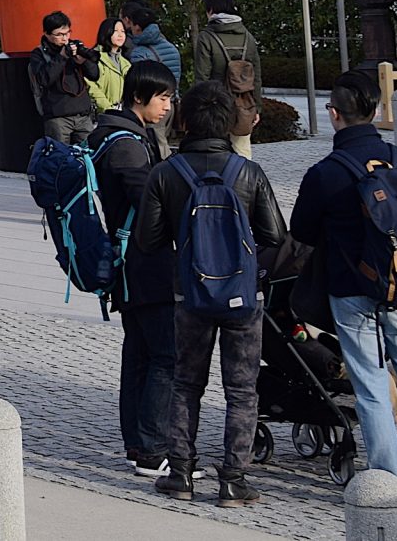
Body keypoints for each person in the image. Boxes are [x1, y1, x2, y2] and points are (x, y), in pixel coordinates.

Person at [295, 70, 397, 503]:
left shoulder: (325, 173)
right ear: (375, 110)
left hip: (351, 290)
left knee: (370, 385)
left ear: (334, 114)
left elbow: (302, 230)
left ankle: (386, 482)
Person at [131, 81, 288, 508]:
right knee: (241, 390)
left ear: (185, 119)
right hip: (241, 296)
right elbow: (276, 234)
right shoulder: (248, 172)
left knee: (186, 383)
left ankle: (180, 473)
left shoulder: (167, 173)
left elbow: (148, 240)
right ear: (227, 122)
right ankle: (234, 481)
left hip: (189, 295)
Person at [92, 59, 179, 477]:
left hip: (129, 262)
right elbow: (150, 201)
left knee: (140, 353)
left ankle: (137, 444)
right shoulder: (126, 144)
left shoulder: (118, 133)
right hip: (143, 261)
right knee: (165, 354)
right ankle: (151, 449)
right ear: (139, 97)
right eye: (162, 98)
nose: (167, 106)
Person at [189, 0, 262, 159]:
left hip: (214, 105)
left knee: (214, 151)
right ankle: (243, 183)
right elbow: (256, 76)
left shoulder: (206, 37)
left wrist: (198, 110)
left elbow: (202, 77)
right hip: (243, 103)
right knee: (242, 150)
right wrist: (256, 107)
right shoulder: (247, 36)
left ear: (211, 10)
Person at [29, 10, 101, 147]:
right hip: (58, 117)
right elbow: (43, 79)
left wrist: (83, 61)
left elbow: (95, 75)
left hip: (83, 115)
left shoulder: (74, 47)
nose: (65, 38)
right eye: (59, 34)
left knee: (88, 157)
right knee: (59, 158)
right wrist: (62, 57)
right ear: (46, 34)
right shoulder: (39, 54)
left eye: (67, 33)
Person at [87, 15, 131, 116]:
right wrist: (107, 108)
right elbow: (91, 87)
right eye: (116, 31)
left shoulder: (126, 63)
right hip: (100, 114)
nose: (120, 35)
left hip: (120, 113)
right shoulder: (93, 57)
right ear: (106, 32)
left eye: (123, 31)